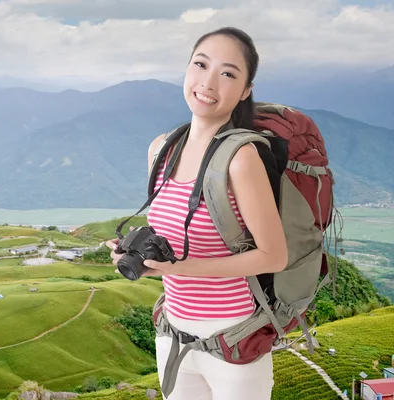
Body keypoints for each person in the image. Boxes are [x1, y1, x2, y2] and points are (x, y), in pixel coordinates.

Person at [106, 27, 288, 399]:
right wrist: (139, 255)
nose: (208, 81)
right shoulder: (161, 148)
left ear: (245, 90)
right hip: (173, 336)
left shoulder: (240, 158)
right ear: (186, 69)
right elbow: (172, 239)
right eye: (200, 64)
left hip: (232, 342)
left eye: (227, 73)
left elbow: (274, 255)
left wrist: (181, 267)